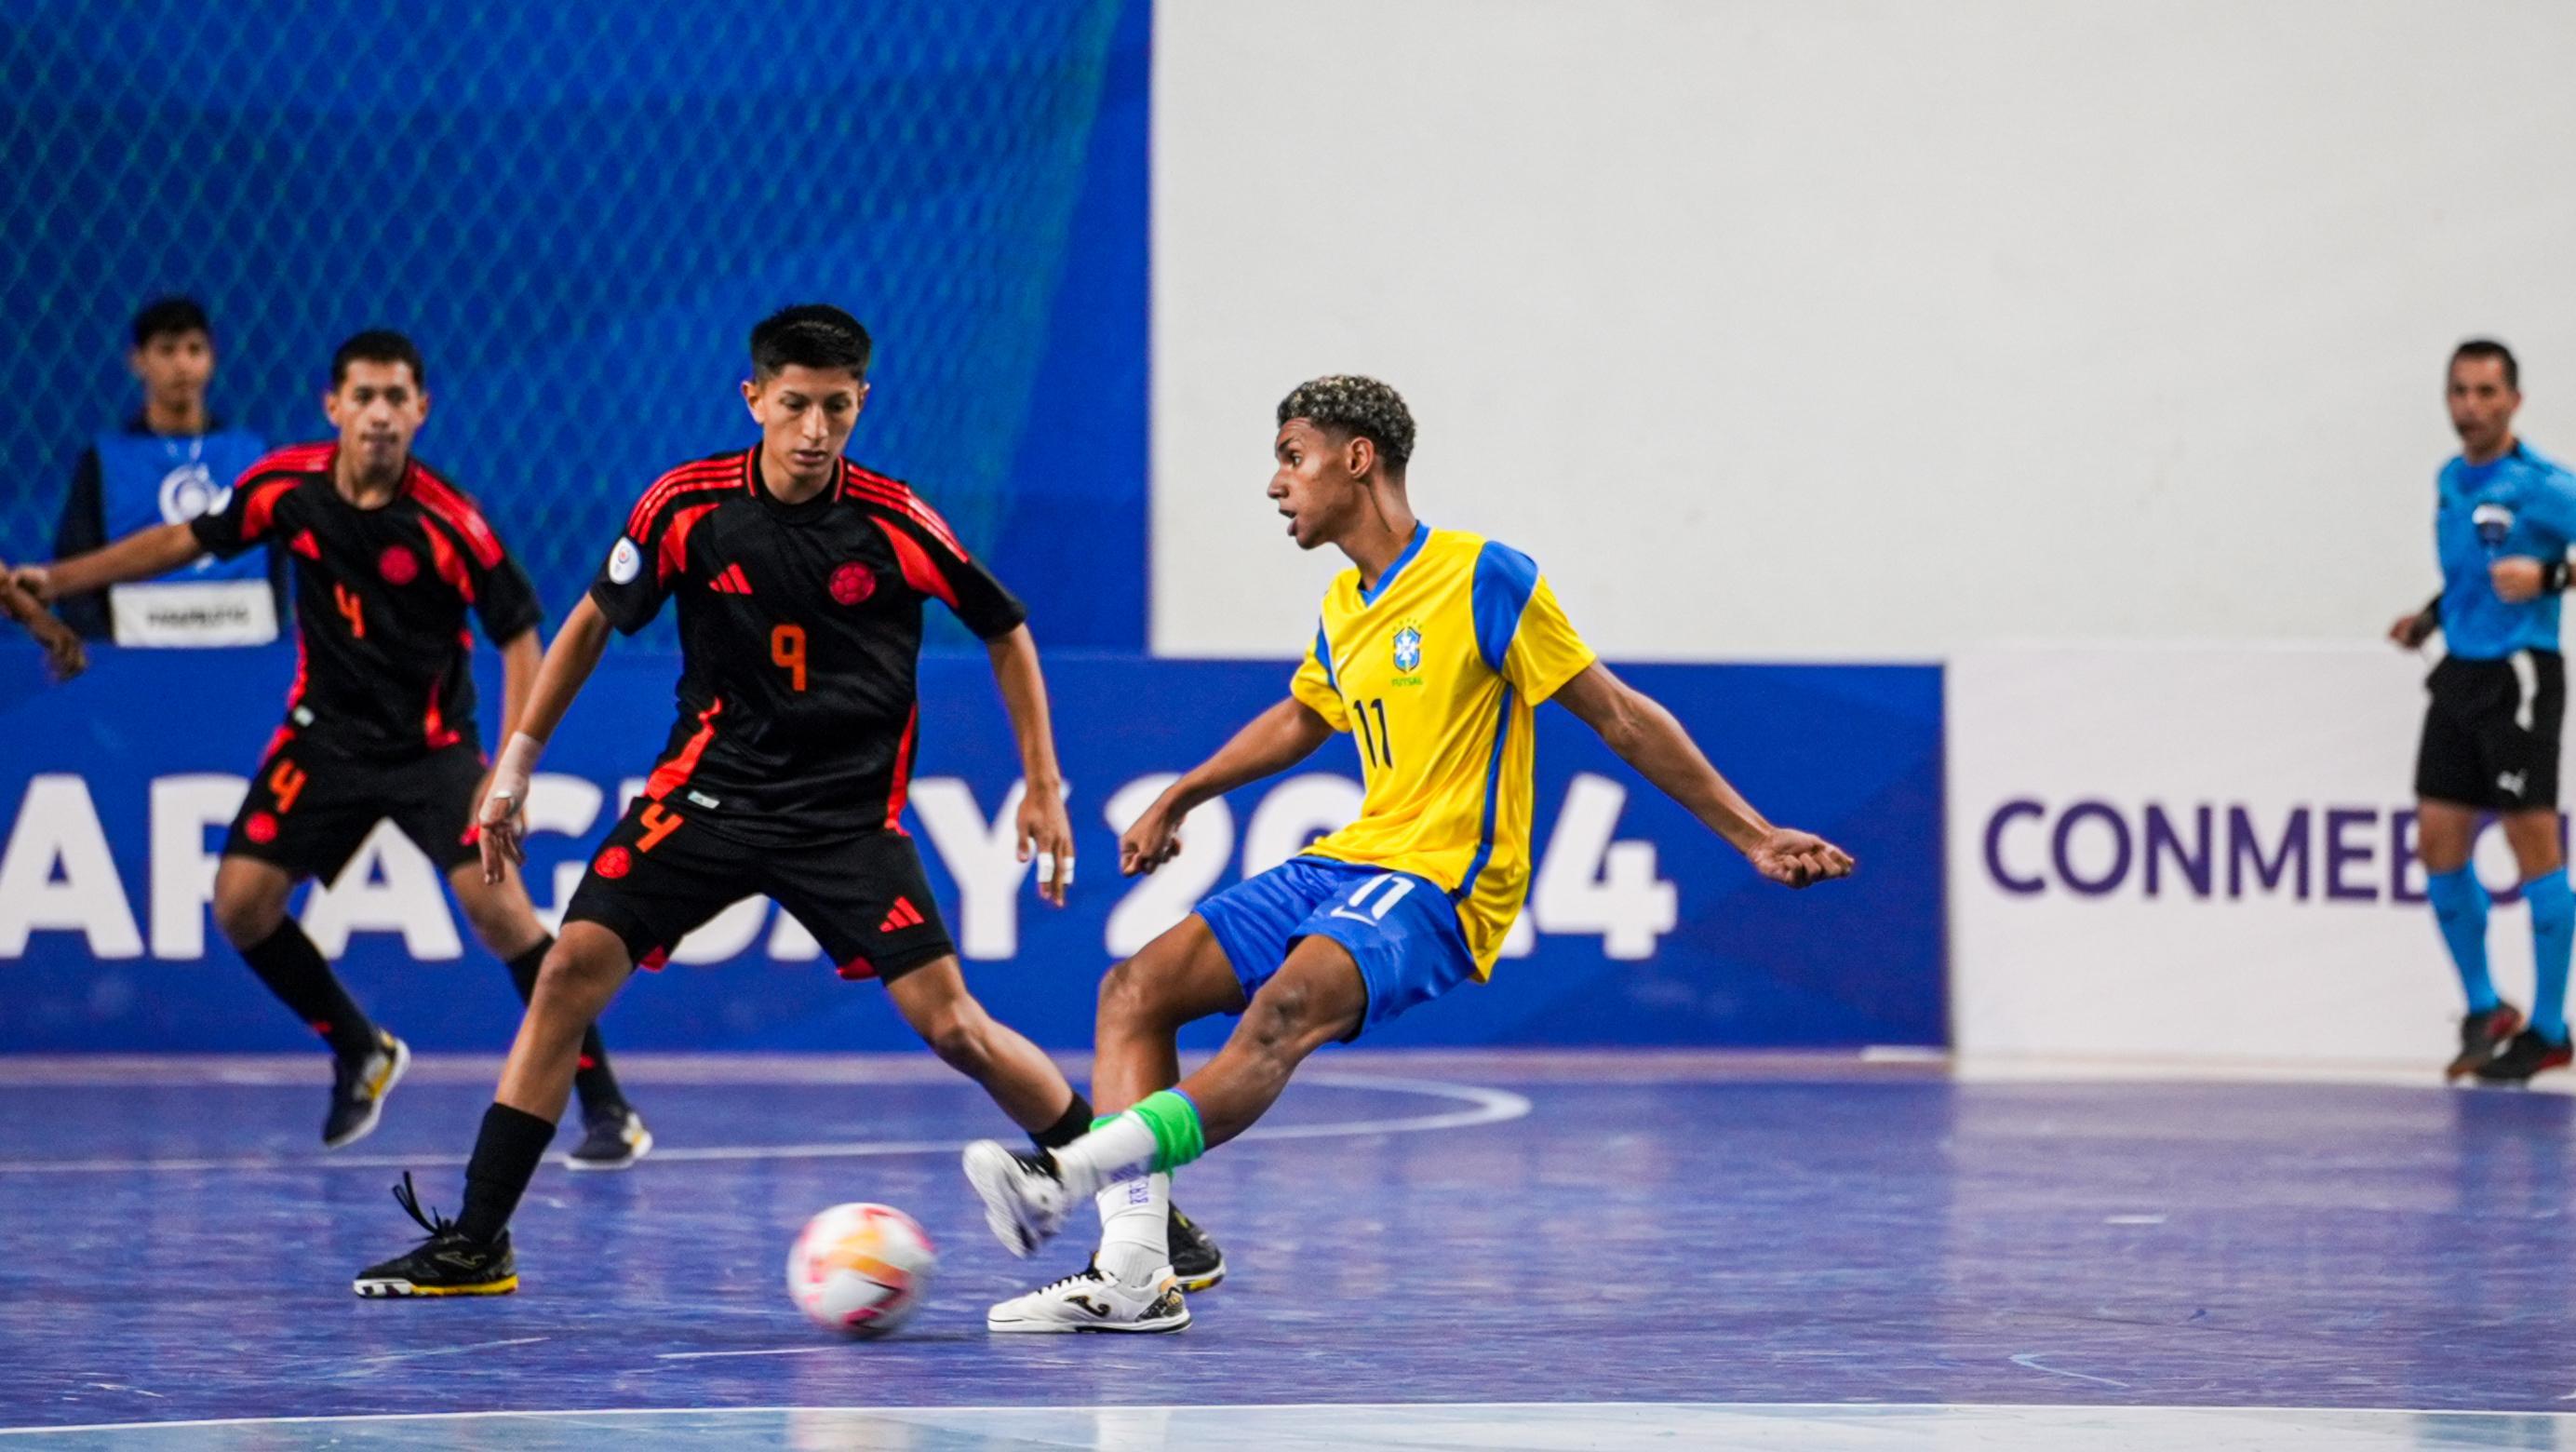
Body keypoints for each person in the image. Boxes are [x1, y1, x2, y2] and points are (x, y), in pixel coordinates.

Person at [350, 304, 1225, 1297]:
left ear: (862, 403)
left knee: (955, 1029)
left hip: (843, 822)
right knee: (566, 975)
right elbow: (594, 619)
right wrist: (515, 764)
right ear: (754, 397)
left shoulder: (896, 521)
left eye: (837, 410)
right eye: (796, 406)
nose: (815, 432)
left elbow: (1004, 629)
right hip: (702, 800)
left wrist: (1039, 782)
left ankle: (1151, 1217)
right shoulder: (686, 506)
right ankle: (477, 1241)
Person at [961, 375, 1856, 1333]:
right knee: (1134, 989)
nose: (1274, 485)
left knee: (1284, 1009)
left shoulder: (1484, 575)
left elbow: (1620, 716)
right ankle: (1135, 1273)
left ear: (1358, 459)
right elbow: (1306, 714)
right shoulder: (1346, 604)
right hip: (1350, 855)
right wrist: (1186, 791)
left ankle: (1063, 1175)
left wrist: (1752, 834)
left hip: (1441, 879)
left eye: (1290, 457)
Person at [10, 330, 650, 1161]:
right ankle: (362, 1048)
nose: (379, 414)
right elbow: (183, 541)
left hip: (431, 751)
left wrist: (507, 772)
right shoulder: (287, 488)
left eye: (396, 398)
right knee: (240, 904)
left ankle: (607, 1107)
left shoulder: (450, 523)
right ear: (333, 406)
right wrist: (55, 582)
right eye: (364, 397)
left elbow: (519, 634)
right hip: (323, 741)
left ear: (421, 410)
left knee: (501, 913)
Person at [2387, 339, 2576, 1084]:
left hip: (2519, 677)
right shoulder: (2450, 480)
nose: (2471, 407)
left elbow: (2536, 572)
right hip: (2459, 673)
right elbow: (2468, 575)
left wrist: (2554, 574)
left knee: (2532, 839)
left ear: (2514, 402)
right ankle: (2484, 1005)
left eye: (2486, 393)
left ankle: (2553, 1027)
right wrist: (2429, 620)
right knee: (2438, 839)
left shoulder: (2544, 486)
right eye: (2459, 392)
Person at [51, 296, 287, 645]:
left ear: (212, 358)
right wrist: (104, 650)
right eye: (167, 350)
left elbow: (278, 563)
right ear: (137, 360)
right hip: (135, 658)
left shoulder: (253, 454)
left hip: (245, 653)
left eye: (194, 350)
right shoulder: (105, 459)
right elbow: (77, 563)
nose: (182, 364)